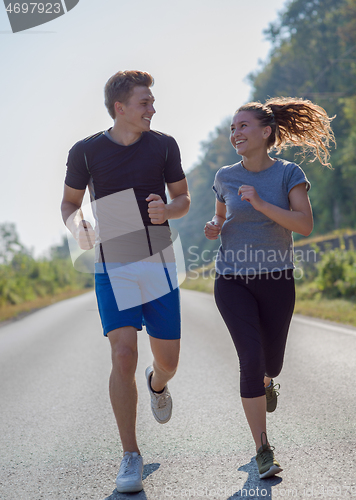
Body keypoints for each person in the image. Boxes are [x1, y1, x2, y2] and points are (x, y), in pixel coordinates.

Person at [61, 70, 190, 493]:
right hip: (112, 264)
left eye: (151, 102)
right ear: (120, 108)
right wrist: (76, 222)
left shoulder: (164, 145)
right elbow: (69, 203)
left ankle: (158, 383)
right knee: (122, 353)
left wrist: (167, 212)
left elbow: (183, 198)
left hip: (158, 261)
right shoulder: (85, 152)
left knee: (168, 360)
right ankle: (130, 455)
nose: (153, 108)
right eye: (144, 102)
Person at [204, 98, 335, 479]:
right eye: (232, 128)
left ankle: (267, 380)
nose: (236, 134)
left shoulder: (288, 174)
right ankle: (262, 449)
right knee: (250, 357)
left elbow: (304, 224)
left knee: (270, 363)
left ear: (265, 132)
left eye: (243, 126)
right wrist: (214, 226)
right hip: (231, 280)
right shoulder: (225, 176)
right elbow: (221, 214)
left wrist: (261, 204)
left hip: (277, 279)